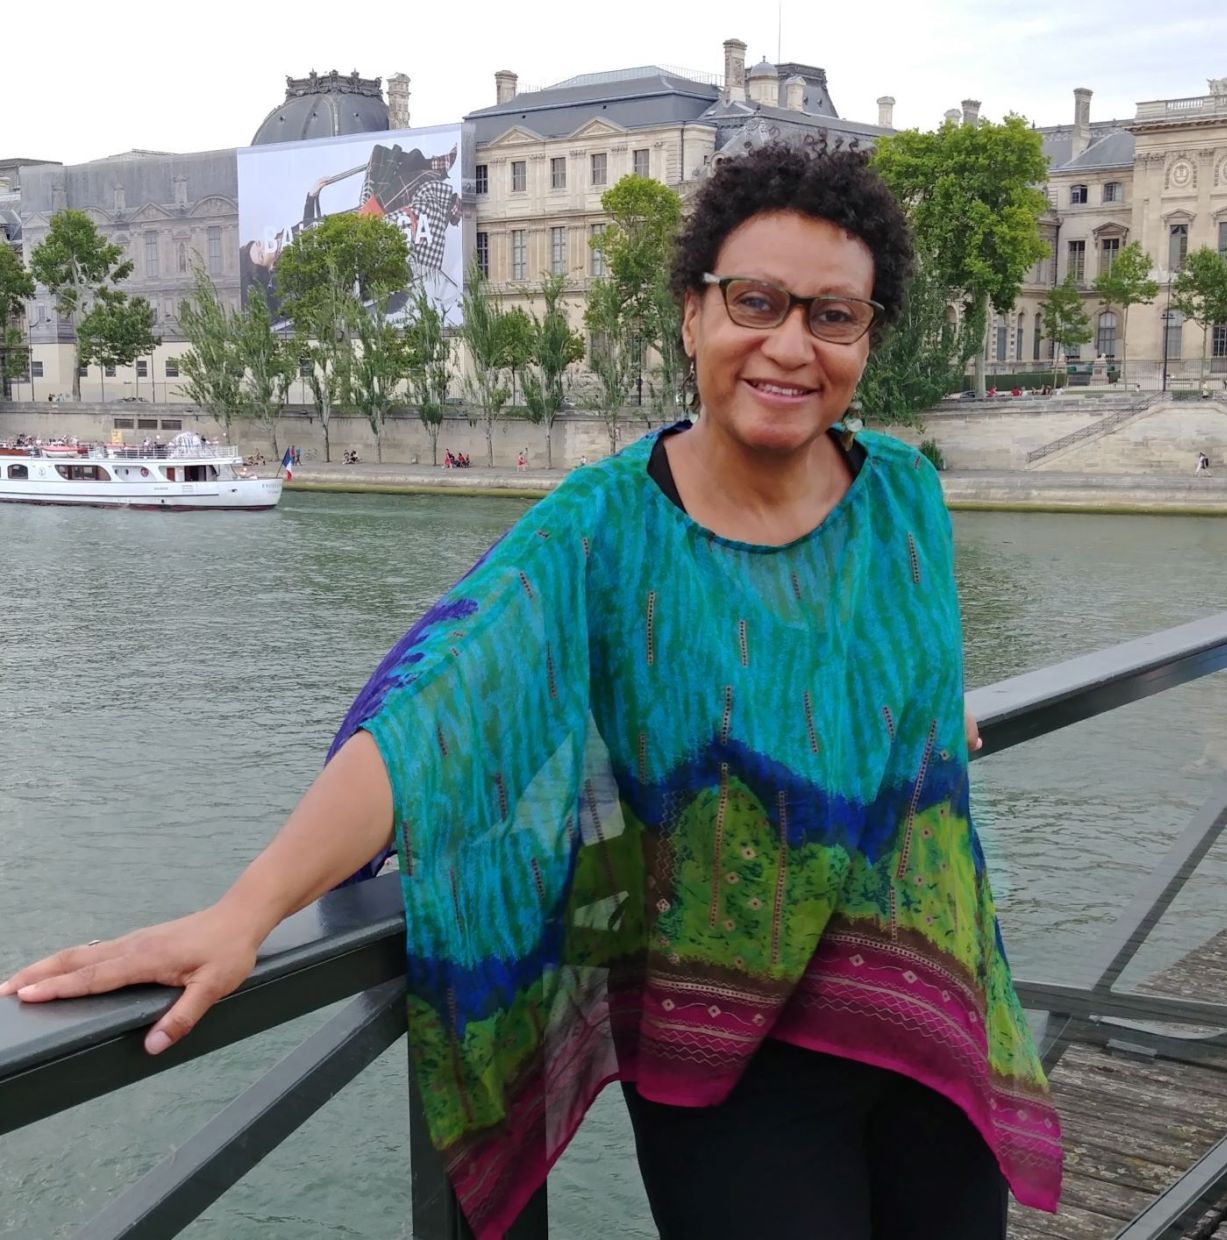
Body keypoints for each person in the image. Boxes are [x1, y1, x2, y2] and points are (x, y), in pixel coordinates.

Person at [1, 140, 1061, 1240]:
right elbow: (437, 718)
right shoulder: (601, 527)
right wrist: (243, 912)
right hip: (734, 1052)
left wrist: (919, 728)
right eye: (756, 301)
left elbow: (886, 673)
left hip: (932, 1004)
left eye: (833, 315)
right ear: (693, 314)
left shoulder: (904, 495)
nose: (790, 343)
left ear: (867, 335)